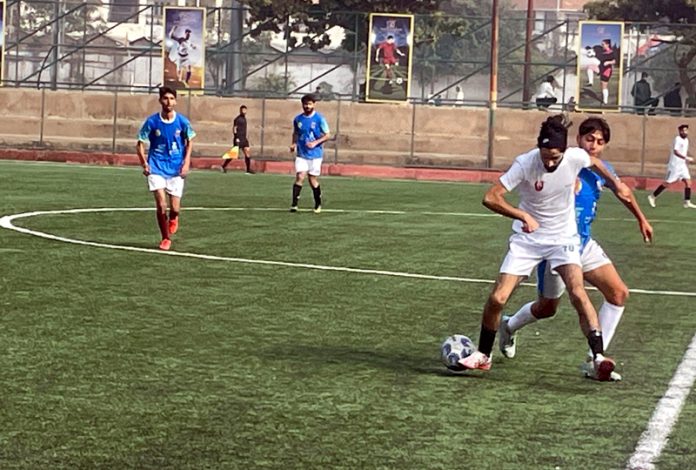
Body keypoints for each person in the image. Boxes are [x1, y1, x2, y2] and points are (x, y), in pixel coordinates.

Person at [458, 115, 632, 381]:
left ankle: (598, 357)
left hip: (563, 238)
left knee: (577, 292)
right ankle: (483, 355)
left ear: (564, 151)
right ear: (538, 148)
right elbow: (490, 197)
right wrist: (521, 215)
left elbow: (595, 162)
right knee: (498, 299)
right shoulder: (525, 163)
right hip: (528, 239)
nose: (550, 162)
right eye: (546, 156)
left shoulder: (574, 157)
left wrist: (617, 184)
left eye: (556, 157)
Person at [498, 117, 654, 381]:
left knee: (618, 293)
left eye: (600, 142)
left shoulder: (600, 169)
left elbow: (623, 191)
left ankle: (595, 359)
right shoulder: (565, 163)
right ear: (578, 140)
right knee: (548, 308)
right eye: (589, 139)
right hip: (558, 245)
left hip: (584, 243)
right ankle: (509, 325)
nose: (593, 146)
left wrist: (641, 218)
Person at [136, 86, 196, 251]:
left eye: (171, 98)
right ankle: (165, 238)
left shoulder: (182, 122)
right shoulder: (152, 122)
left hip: (176, 168)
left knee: (174, 208)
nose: (168, 102)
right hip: (156, 166)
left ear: (175, 101)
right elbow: (139, 143)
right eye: (165, 98)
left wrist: (186, 162)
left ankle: (174, 217)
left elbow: (190, 141)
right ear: (160, 100)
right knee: (161, 205)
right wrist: (144, 164)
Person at [290, 94, 330, 213]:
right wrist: (293, 143)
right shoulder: (298, 119)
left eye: (309, 104)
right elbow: (295, 133)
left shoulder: (319, 119)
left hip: (315, 154)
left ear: (314, 104)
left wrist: (315, 143)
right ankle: (294, 204)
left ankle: (318, 204)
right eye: (305, 104)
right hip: (302, 153)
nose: (307, 106)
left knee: (312, 179)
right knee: (300, 176)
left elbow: (328, 135)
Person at [648, 124, 696, 209]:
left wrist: (686, 159)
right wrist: (686, 158)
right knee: (667, 183)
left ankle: (687, 202)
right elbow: (676, 152)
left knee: (688, 182)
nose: (686, 132)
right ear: (680, 131)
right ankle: (652, 196)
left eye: (687, 130)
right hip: (675, 166)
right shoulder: (677, 139)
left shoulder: (686, 140)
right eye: (684, 130)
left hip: (682, 166)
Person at [222, 105, 253, 174]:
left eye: (245, 110)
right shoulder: (237, 119)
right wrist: (236, 137)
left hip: (244, 139)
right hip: (238, 139)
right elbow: (234, 128)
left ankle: (248, 170)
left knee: (247, 152)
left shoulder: (245, 119)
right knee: (233, 154)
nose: (244, 111)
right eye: (243, 110)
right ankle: (223, 166)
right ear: (240, 110)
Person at [597, 39, 617, 105]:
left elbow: (614, 61)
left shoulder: (612, 52)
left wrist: (608, 62)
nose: (602, 46)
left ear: (607, 44)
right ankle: (604, 98)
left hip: (607, 70)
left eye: (603, 44)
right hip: (602, 70)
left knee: (604, 85)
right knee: (602, 85)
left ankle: (605, 101)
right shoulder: (603, 52)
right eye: (601, 44)